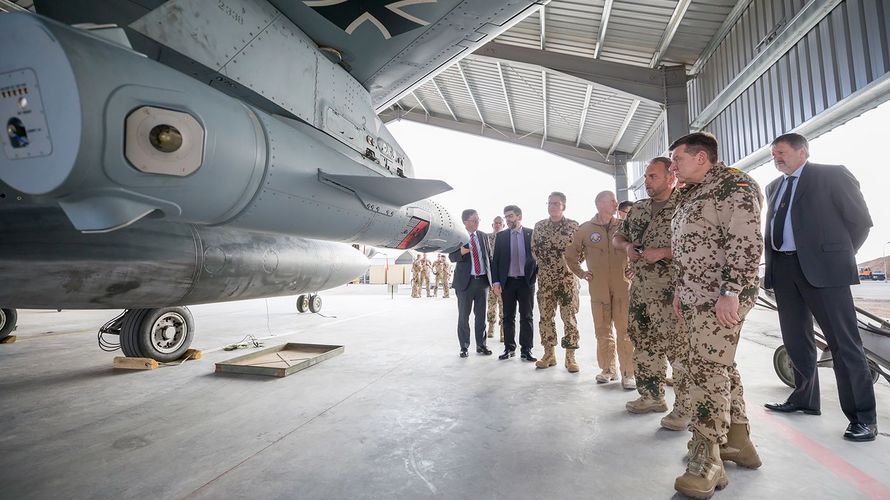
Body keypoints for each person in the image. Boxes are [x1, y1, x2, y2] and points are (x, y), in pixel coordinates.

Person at [762, 133, 877, 442]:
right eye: (774, 154)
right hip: (785, 270)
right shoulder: (773, 187)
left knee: (843, 344)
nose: (777, 158)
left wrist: (836, 256)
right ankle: (805, 399)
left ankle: (862, 417)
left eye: (782, 152)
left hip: (825, 271)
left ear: (803, 151)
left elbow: (861, 222)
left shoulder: (831, 175)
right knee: (796, 339)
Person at [668, 132, 763, 498]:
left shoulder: (732, 185)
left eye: (677, 159)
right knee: (718, 365)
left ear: (701, 158)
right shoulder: (691, 192)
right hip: (695, 295)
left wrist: (730, 292)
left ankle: (708, 458)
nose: (673, 166)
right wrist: (680, 288)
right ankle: (737, 441)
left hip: (721, 297)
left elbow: (746, 241)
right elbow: (689, 246)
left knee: (706, 370)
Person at [613, 157, 689, 430]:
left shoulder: (685, 205)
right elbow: (618, 237)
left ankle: (685, 408)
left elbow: (697, 246)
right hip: (641, 290)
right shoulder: (640, 209)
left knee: (678, 349)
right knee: (644, 343)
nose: (646, 182)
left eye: (653, 176)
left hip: (671, 292)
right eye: (645, 177)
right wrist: (626, 247)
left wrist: (664, 253)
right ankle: (652, 395)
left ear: (671, 177)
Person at [565, 191, 635, 389]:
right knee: (602, 330)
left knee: (625, 331)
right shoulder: (585, 229)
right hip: (599, 288)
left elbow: (639, 248)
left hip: (622, 287)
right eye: (611, 200)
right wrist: (581, 272)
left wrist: (634, 269)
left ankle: (628, 373)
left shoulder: (624, 226)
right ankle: (607, 369)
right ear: (600, 204)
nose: (615, 203)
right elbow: (570, 254)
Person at [531, 192, 581, 372]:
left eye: (556, 203)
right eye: (550, 203)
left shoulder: (573, 226)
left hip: (567, 280)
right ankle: (548, 354)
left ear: (563, 206)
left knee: (569, 318)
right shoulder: (539, 226)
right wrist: (547, 266)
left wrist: (569, 266)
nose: (552, 206)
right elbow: (534, 249)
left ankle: (570, 357)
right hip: (545, 280)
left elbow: (579, 251)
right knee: (545, 317)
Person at [491, 205, 538, 362]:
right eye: (506, 217)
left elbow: (538, 257)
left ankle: (526, 350)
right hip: (508, 283)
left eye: (510, 216)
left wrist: (534, 276)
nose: (507, 219)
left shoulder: (531, 234)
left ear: (519, 216)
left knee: (527, 316)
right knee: (508, 317)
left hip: (526, 283)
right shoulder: (502, 236)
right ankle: (509, 348)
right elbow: (496, 260)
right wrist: (496, 282)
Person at [448, 209, 493, 358]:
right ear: (466, 222)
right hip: (465, 284)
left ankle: (481, 345)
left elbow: (489, 258)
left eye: (478, 219)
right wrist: (461, 251)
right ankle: (464, 347)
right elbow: (451, 257)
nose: (478, 222)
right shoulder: (458, 236)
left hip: (482, 282)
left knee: (481, 317)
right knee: (463, 317)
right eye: (475, 220)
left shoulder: (483, 236)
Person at [487, 216, 505, 340]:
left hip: (503, 277)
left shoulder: (506, 238)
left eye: (500, 223)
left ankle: (503, 331)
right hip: (490, 277)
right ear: (492, 225)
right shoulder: (487, 238)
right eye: (495, 223)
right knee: (491, 304)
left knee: (504, 305)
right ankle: (491, 327)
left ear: (503, 225)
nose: (497, 225)